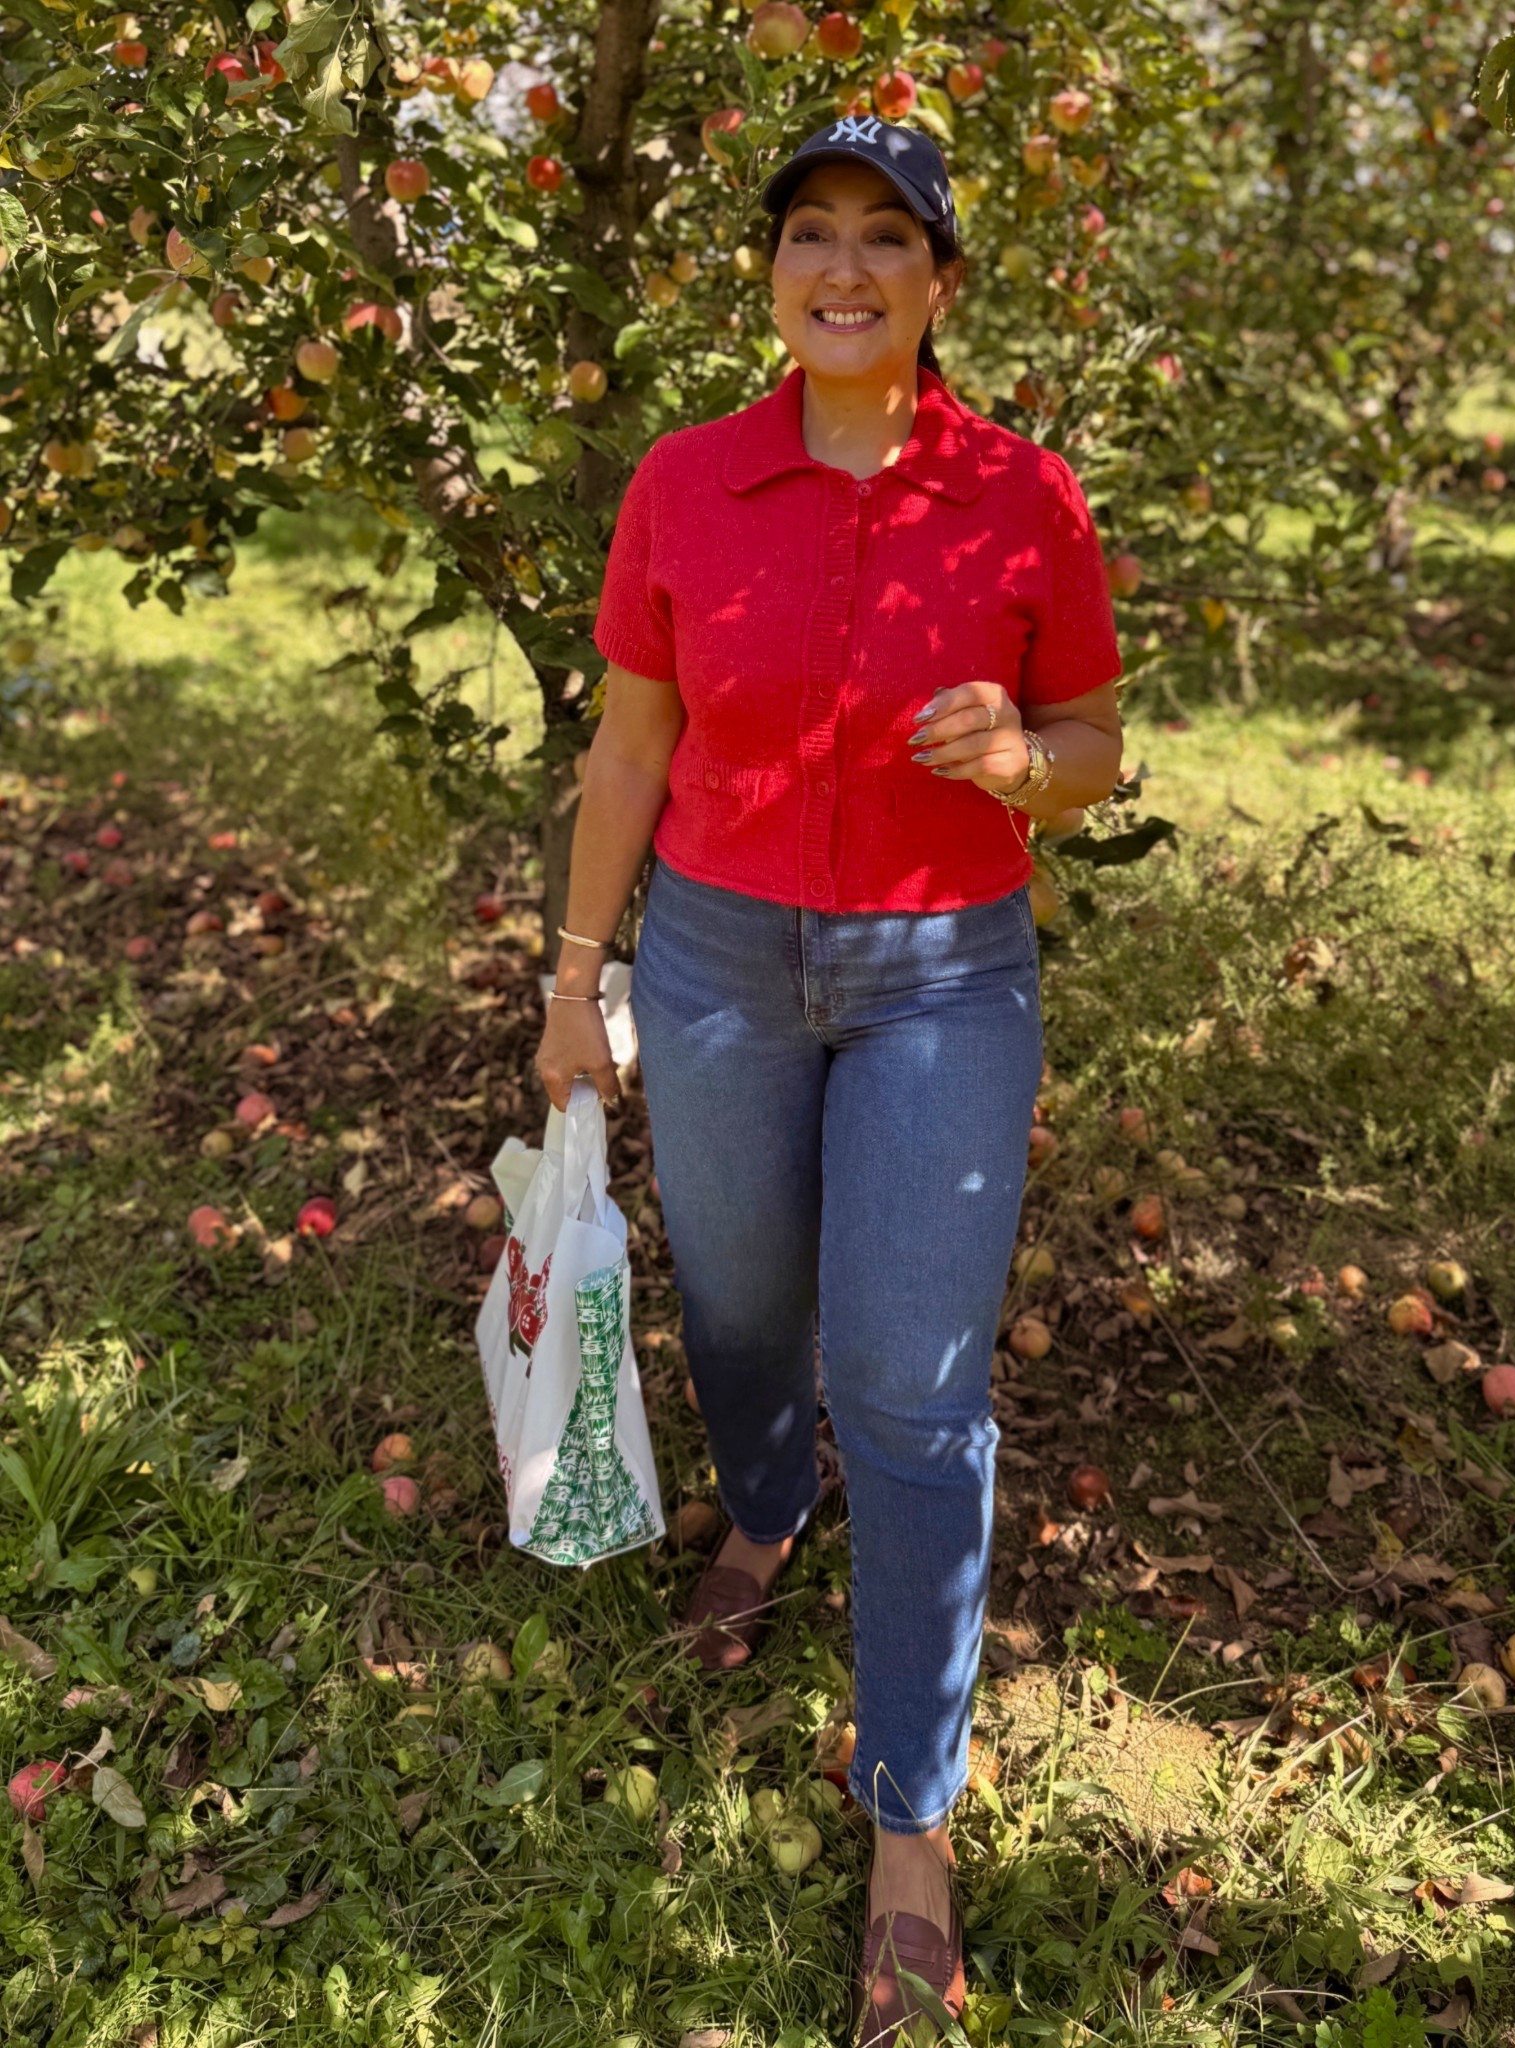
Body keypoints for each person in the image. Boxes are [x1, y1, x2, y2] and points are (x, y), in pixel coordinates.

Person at [534, 115, 1124, 2048]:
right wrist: (573, 978)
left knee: (916, 1384)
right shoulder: (689, 484)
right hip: (708, 959)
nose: (846, 266)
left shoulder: (1022, 499)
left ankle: (913, 1822)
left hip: (943, 977)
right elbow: (630, 750)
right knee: (741, 1291)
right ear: (776, 274)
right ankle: (767, 1510)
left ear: (941, 284)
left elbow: (1098, 736)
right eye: (812, 234)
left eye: (889, 237)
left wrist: (1025, 767)